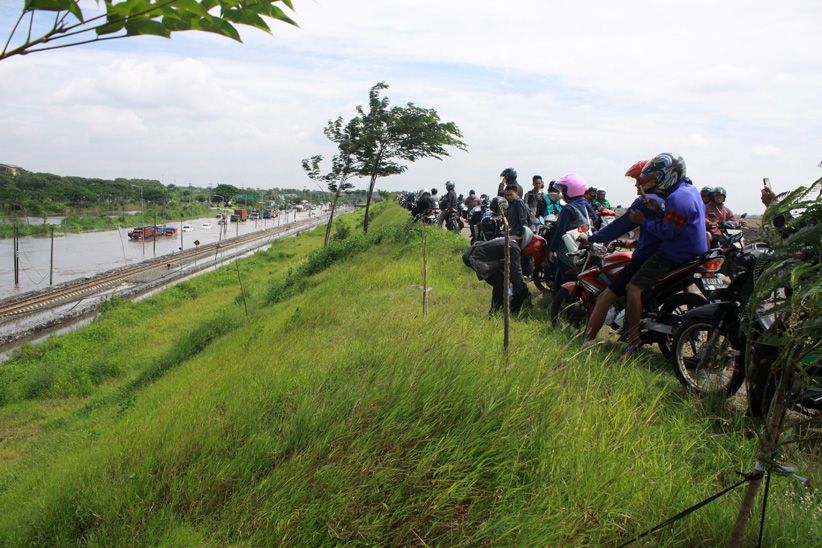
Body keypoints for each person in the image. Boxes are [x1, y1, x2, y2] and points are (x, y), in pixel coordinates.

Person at [623, 153, 707, 355]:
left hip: (676, 252)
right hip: (694, 251)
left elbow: (668, 233)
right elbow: (677, 224)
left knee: (633, 288)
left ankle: (633, 340)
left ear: (667, 176)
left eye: (655, 178)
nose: (651, 183)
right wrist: (660, 213)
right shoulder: (690, 190)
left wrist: (642, 221)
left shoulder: (677, 198)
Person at [579, 160, 665, 342]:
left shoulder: (646, 202)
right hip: (663, 255)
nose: (636, 184)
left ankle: (588, 342)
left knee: (605, 296)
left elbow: (620, 225)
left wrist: (592, 237)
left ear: (650, 179)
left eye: (638, 180)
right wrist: (632, 242)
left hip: (645, 257)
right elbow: (653, 232)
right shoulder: (666, 200)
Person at [462, 227, 536, 314]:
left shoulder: (511, 241)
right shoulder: (514, 248)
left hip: (474, 254)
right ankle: (496, 312)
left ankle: (497, 310)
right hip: (476, 258)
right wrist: (519, 289)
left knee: (502, 282)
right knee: (502, 284)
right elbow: (516, 271)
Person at [547, 173, 593, 291]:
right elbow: (595, 219)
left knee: (567, 277)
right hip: (582, 246)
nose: (562, 193)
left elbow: (560, 231)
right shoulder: (585, 204)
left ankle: (566, 303)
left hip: (567, 250)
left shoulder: (568, 208)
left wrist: (552, 249)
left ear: (571, 190)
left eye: (563, 190)